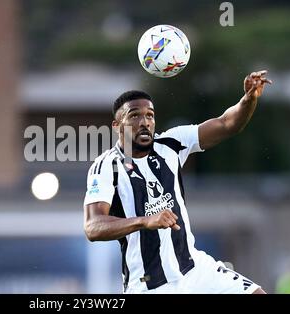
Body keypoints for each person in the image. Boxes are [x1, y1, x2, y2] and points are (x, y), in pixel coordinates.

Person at [83, 70, 271, 294]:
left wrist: (248, 99)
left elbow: (226, 124)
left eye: (150, 115)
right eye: (134, 115)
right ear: (117, 126)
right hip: (149, 284)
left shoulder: (171, 144)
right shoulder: (105, 166)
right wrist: (145, 221)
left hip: (194, 270)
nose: (144, 122)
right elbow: (93, 227)